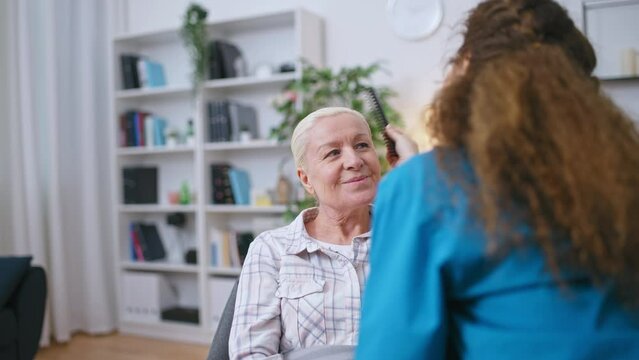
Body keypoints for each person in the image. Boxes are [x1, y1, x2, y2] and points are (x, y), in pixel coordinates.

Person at [356, 0, 639, 359]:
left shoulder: (423, 188)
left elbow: (395, 351)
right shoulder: (622, 178)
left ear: (466, 68)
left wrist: (416, 182)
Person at [229, 107, 418, 360]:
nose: (354, 161)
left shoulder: (411, 236)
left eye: (362, 145)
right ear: (306, 179)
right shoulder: (272, 249)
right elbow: (250, 355)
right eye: (333, 153)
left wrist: (414, 173)